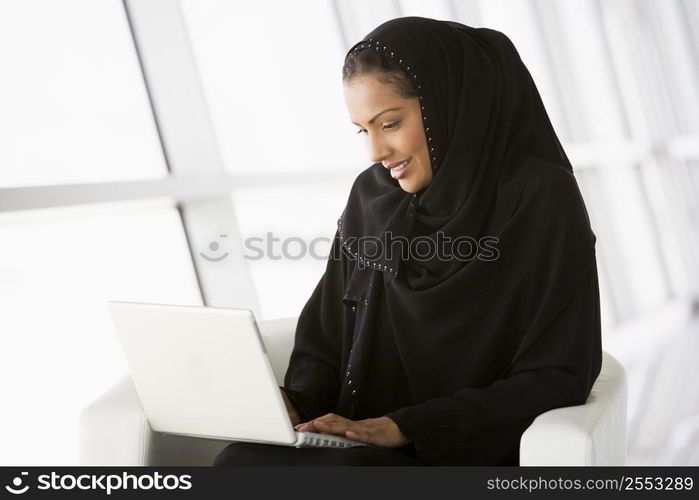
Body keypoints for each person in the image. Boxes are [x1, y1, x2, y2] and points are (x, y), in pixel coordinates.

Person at [213, 15, 602, 466]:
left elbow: (559, 372)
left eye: (390, 123)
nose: (376, 152)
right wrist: (297, 404)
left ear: (447, 104)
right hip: (358, 441)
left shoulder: (538, 196)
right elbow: (326, 337)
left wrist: (406, 427)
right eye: (365, 130)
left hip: (458, 447)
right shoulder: (372, 195)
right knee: (238, 460)